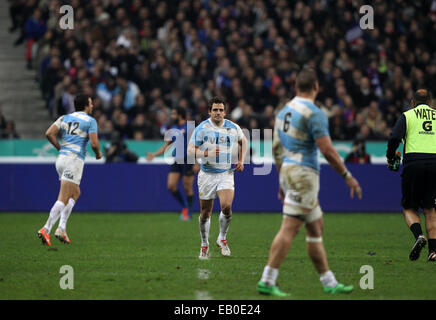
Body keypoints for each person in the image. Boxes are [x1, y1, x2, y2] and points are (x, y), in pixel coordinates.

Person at [257, 68, 362, 296]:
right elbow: (327, 150)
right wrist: (347, 176)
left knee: (315, 225)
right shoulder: (315, 113)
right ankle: (267, 279)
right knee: (290, 228)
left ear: (296, 87)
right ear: (316, 87)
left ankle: (329, 282)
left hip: (288, 170)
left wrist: (281, 182)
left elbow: (276, 149)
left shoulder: (284, 111)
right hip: (304, 174)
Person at [187, 97, 248, 259]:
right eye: (215, 110)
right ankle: (204, 244)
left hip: (225, 174)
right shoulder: (203, 128)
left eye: (221, 110)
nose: (218, 113)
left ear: (225, 112)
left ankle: (222, 238)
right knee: (205, 212)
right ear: (209, 111)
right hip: (207, 175)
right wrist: (206, 153)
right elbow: (190, 150)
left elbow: (244, 142)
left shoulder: (233, 127)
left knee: (226, 206)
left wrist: (241, 160)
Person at [37, 94, 102, 246]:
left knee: (76, 193)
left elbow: (49, 133)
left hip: (61, 160)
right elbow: (94, 143)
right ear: (86, 105)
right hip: (74, 160)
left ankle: (62, 228)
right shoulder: (90, 121)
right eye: (91, 103)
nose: (92, 106)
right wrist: (98, 154)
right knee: (64, 197)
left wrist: (60, 148)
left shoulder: (65, 117)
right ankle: (46, 228)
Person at [386, 89, 436, 262]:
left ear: (413, 102)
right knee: (430, 208)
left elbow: (394, 138)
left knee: (409, 207)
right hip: (435, 162)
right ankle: (433, 251)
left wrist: (390, 156)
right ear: (430, 102)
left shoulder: (408, 116)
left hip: (414, 162)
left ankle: (419, 236)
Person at [147, 107, 197, 221]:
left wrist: (197, 162)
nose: (172, 116)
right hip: (177, 159)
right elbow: (166, 146)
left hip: (188, 159)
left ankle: (188, 213)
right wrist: (154, 154)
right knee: (171, 186)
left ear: (180, 115)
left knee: (187, 187)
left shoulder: (190, 127)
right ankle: (185, 206)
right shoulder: (173, 128)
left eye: (174, 114)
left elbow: (196, 145)